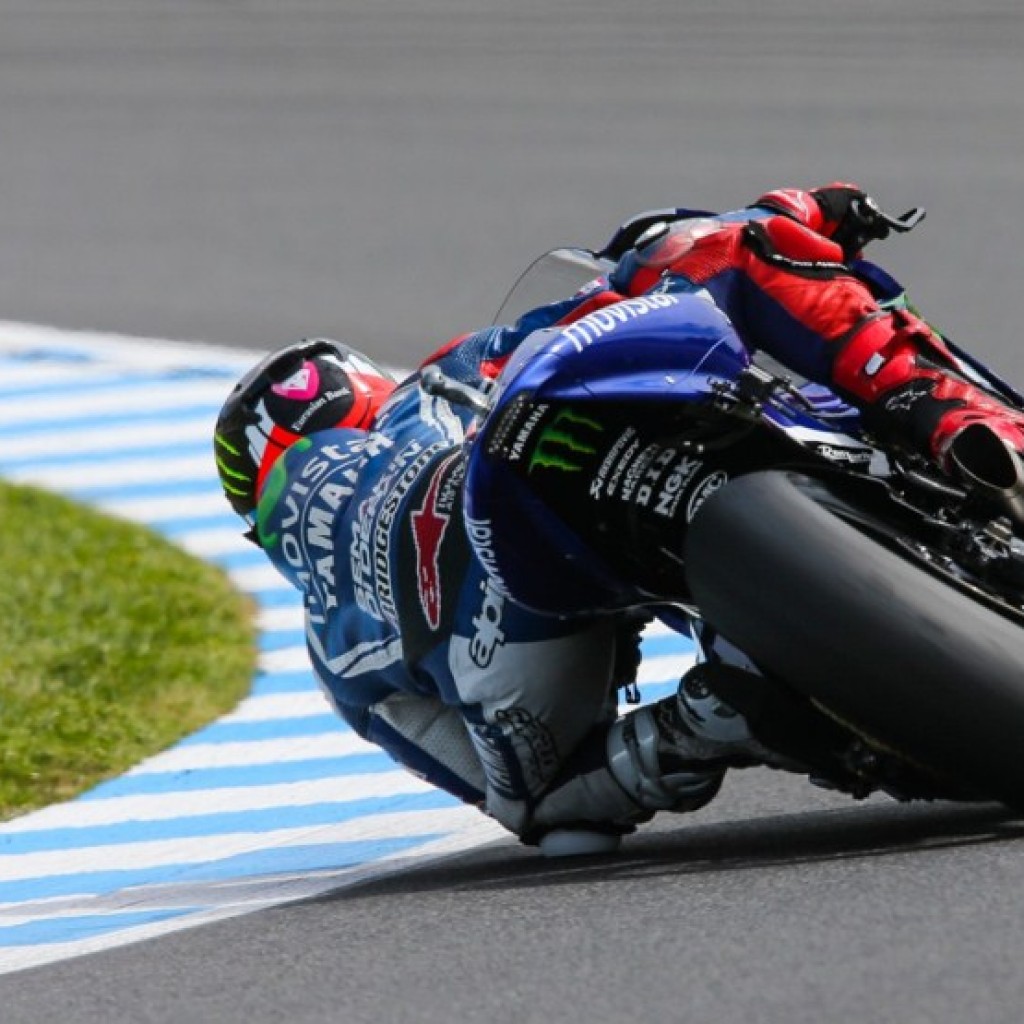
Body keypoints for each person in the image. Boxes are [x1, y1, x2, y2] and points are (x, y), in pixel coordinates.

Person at [214, 183, 1024, 855]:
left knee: (553, 805)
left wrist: (665, 746)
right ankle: (963, 422)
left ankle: (708, 723)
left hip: (513, 647)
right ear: (361, 394)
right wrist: (805, 210)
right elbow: (623, 284)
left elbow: (515, 803)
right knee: (735, 244)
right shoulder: (441, 378)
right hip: (530, 482)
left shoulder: (334, 647)